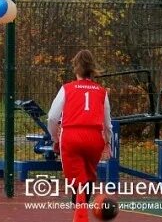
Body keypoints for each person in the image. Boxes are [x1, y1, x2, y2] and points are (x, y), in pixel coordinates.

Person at [47, 50, 112, 222]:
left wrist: (54, 138)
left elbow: (53, 117)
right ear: (92, 69)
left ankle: (78, 209)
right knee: (89, 175)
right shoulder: (101, 92)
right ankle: (82, 208)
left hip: (71, 136)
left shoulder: (66, 89)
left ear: (76, 68)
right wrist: (108, 142)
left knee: (76, 177)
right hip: (94, 138)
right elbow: (107, 123)